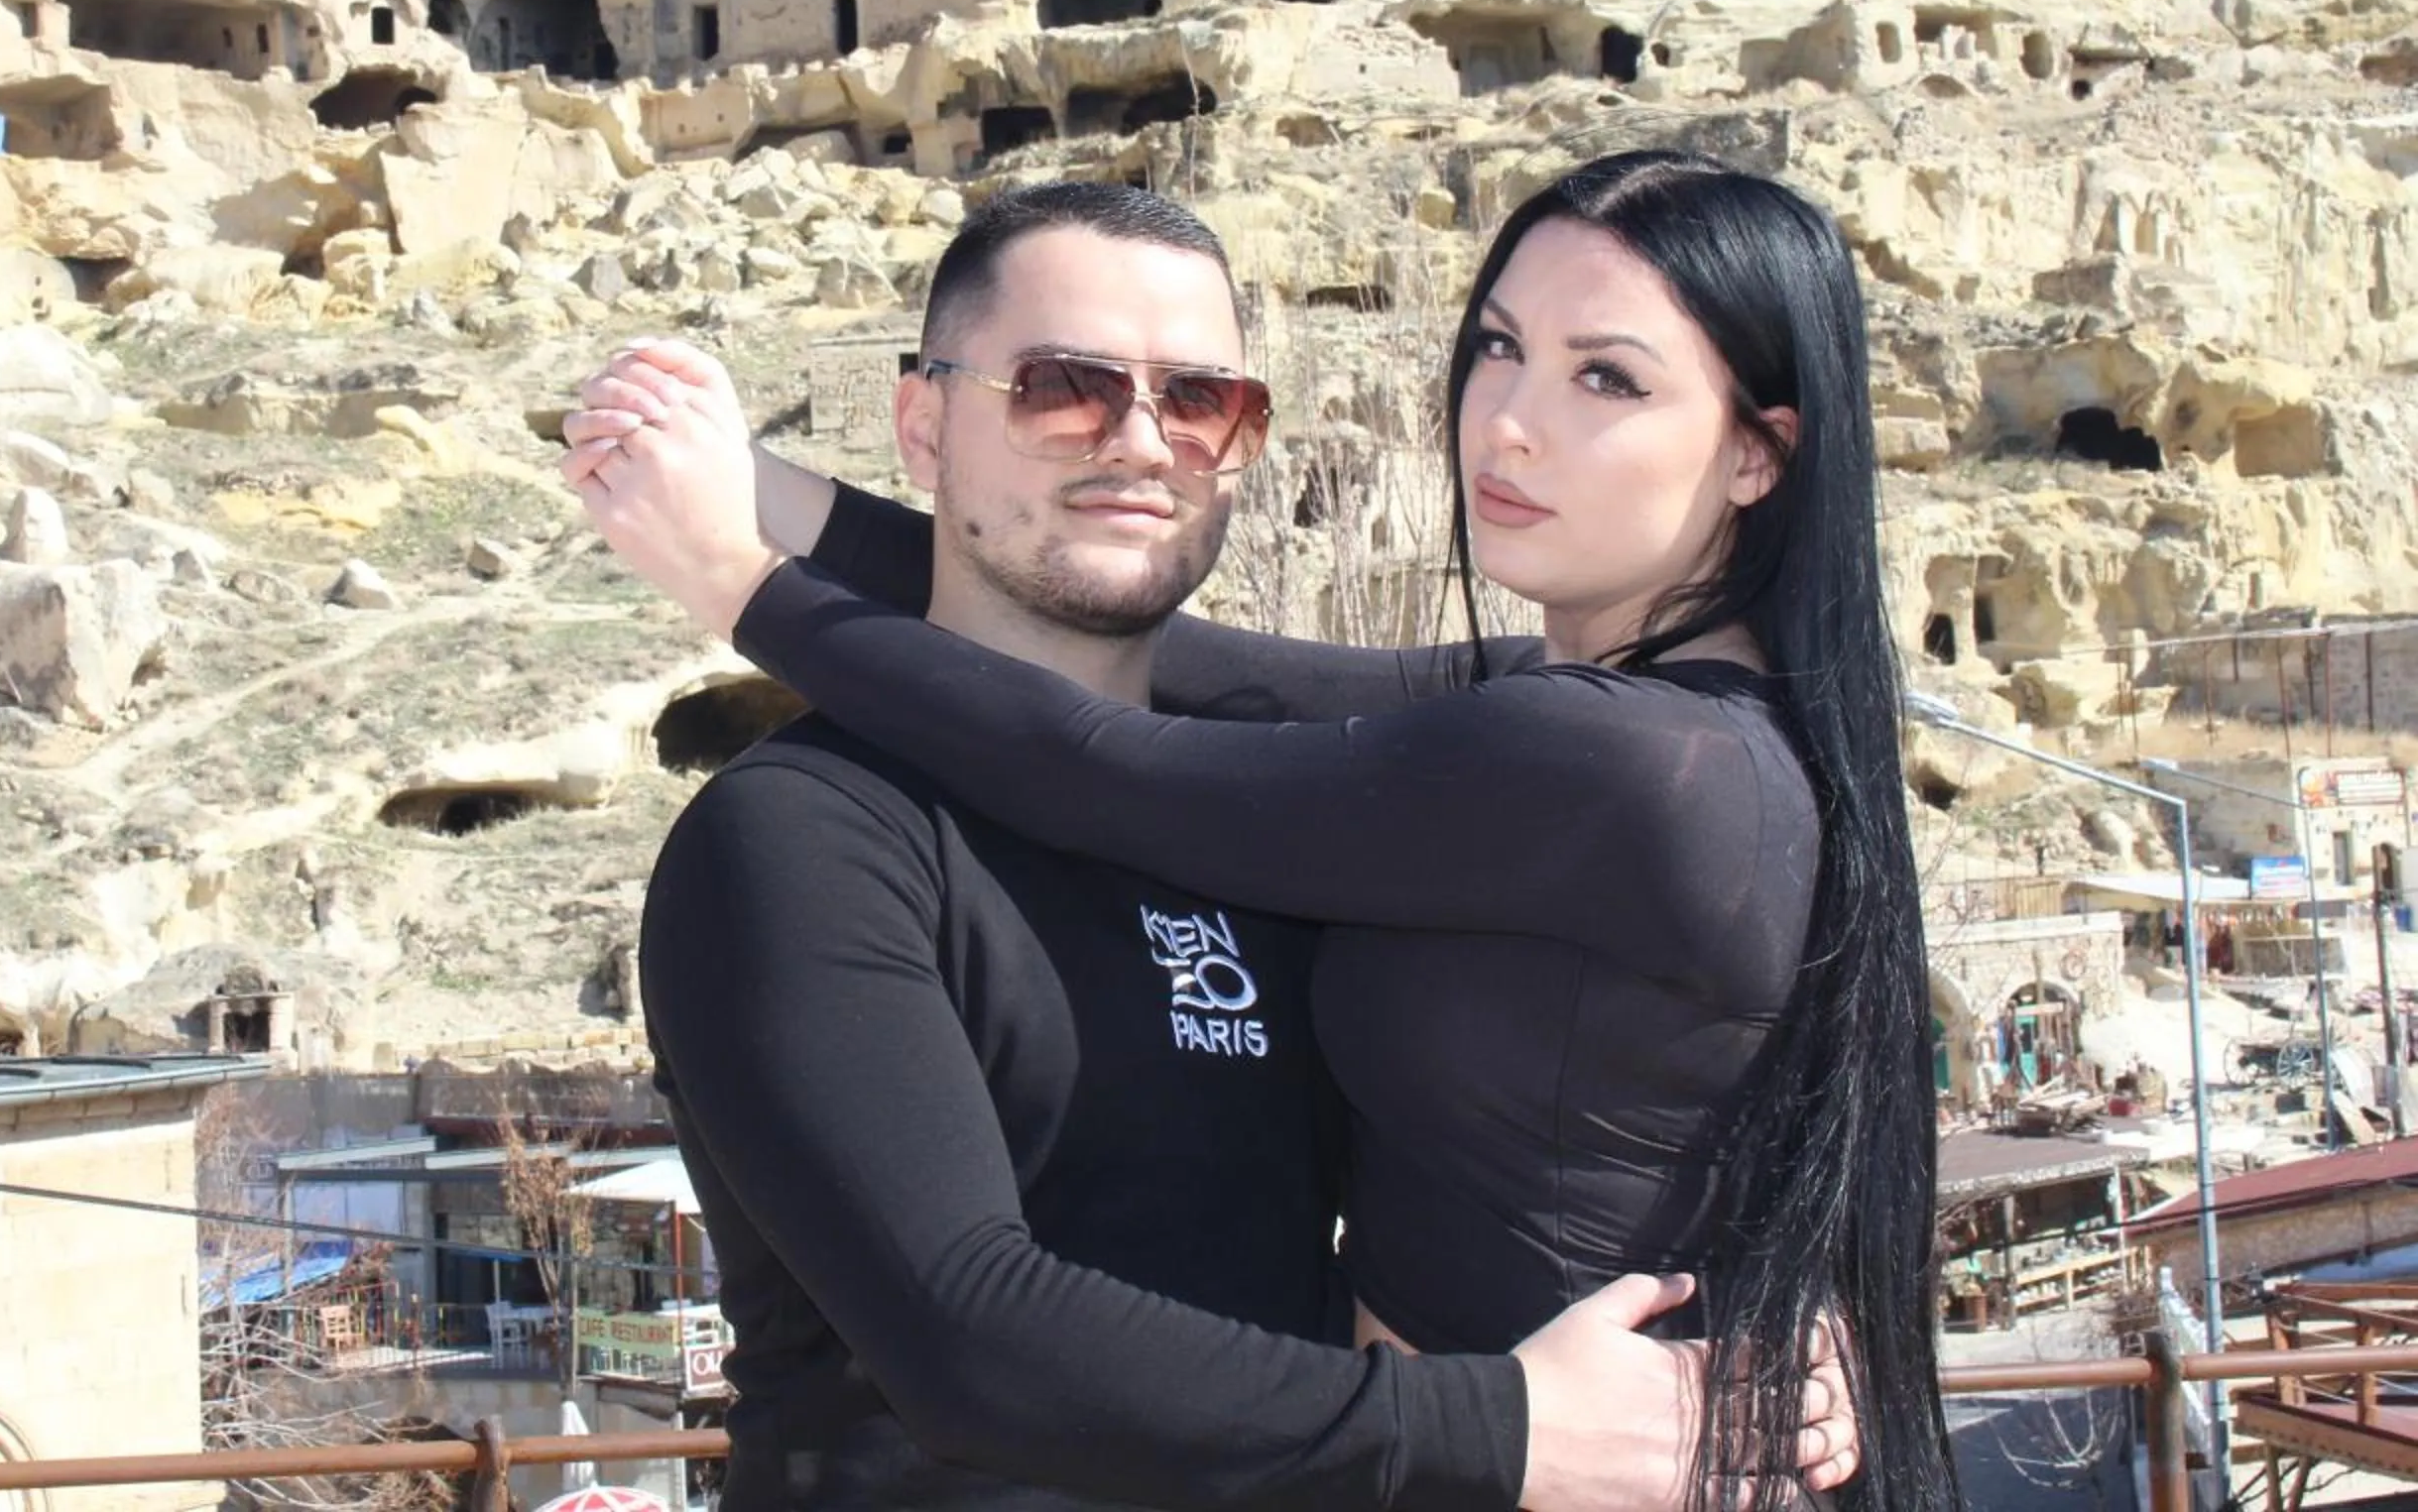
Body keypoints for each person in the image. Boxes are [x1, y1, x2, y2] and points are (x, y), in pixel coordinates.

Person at [566, 154, 1952, 1512]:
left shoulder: (1617, 762)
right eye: (1060, 389)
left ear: (1762, 452)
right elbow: (965, 1336)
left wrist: (740, 579)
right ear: (924, 425)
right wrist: (770, 505)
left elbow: (1103, 753)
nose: (1507, 425)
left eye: (1204, 401)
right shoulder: (805, 840)